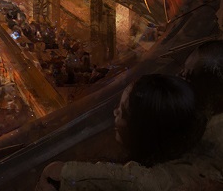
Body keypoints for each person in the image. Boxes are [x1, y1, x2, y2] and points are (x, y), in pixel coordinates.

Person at [38, 50, 223, 190]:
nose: (179, 75)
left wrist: (65, 173)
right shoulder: (190, 132)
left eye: (187, 74)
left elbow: (143, 181)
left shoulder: (195, 168)